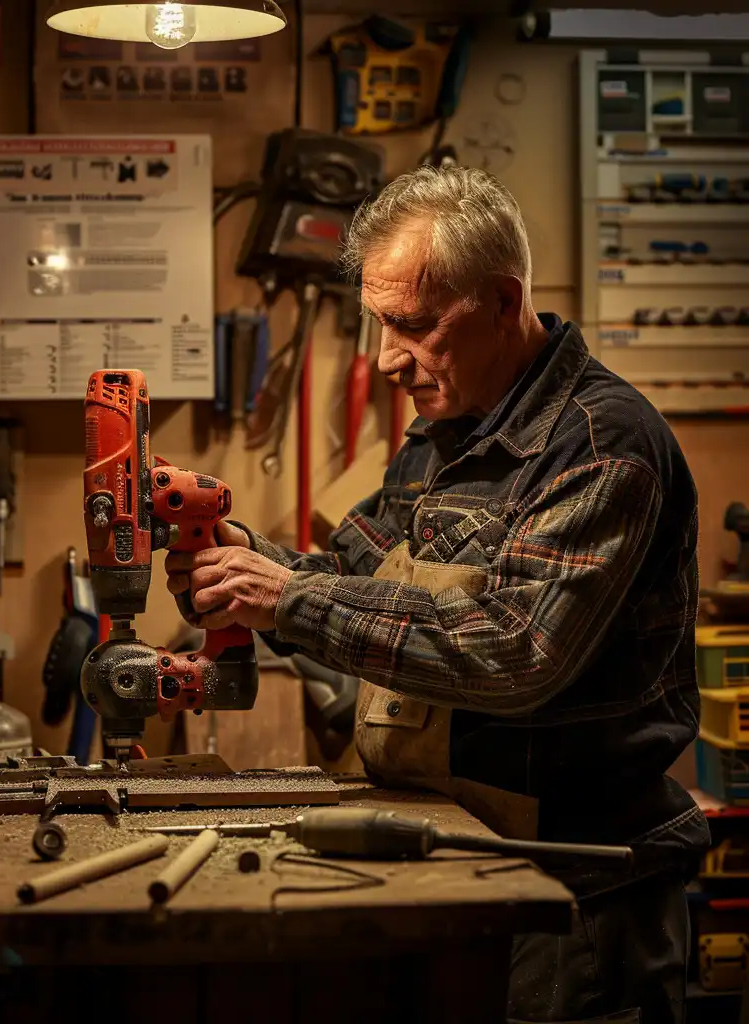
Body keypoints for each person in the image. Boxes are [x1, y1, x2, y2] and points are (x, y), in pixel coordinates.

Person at [166, 166, 709, 1024]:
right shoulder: (444, 432)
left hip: (581, 896)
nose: (387, 358)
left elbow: (514, 650)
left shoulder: (605, 449)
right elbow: (350, 577)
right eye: (379, 322)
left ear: (503, 300)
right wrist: (239, 559)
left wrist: (288, 603)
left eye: (412, 326)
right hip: (460, 854)